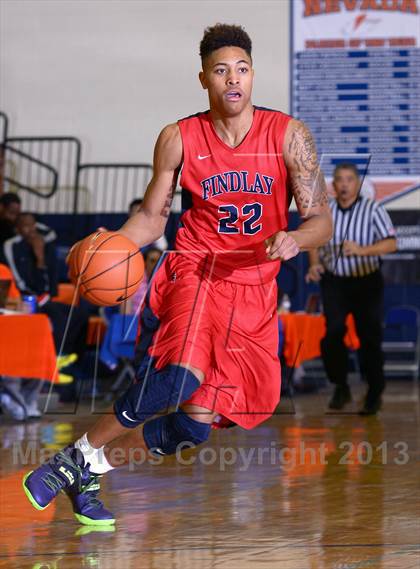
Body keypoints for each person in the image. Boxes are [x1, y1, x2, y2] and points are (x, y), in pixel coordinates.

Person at [23, 23, 332, 526]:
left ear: (253, 75)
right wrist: (114, 245)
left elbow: (321, 218)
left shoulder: (290, 135)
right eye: (220, 70)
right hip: (197, 272)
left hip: (253, 289)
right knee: (176, 379)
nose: (233, 79)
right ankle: (68, 463)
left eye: (242, 69)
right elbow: (151, 218)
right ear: (204, 79)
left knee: (193, 427)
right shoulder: (178, 138)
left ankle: (91, 468)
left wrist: (298, 237)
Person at [306, 163, 397, 415]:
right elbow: (313, 239)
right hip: (335, 281)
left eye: (349, 179)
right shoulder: (327, 211)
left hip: (366, 281)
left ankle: (374, 392)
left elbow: (391, 244)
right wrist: (314, 264)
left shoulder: (373, 209)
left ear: (357, 183)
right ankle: (341, 385)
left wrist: (362, 250)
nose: (344, 184)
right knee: (332, 334)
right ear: (333, 185)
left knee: (369, 337)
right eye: (339, 180)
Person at [3, 212, 89, 358]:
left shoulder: (43, 242)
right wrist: (39, 258)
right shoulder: (12, 246)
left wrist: (41, 254)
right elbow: (18, 279)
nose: (31, 230)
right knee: (58, 319)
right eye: (25, 226)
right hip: (24, 298)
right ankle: (54, 358)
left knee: (80, 315)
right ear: (17, 229)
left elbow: (50, 234)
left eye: (33, 225)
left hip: (45, 298)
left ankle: (72, 357)